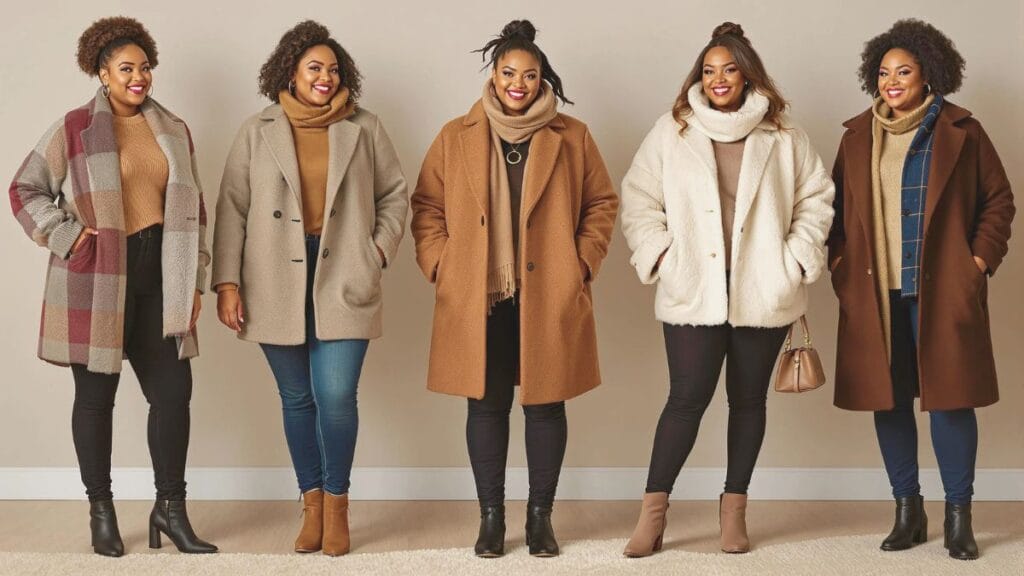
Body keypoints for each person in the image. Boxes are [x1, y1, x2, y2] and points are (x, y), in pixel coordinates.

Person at [620, 22, 834, 556]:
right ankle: (653, 514)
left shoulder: (784, 135)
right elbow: (639, 198)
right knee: (685, 400)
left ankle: (733, 512)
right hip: (693, 289)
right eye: (709, 70)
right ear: (700, 76)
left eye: (729, 69)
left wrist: (795, 258)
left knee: (748, 402)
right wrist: (664, 256)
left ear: (747, 75)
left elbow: (817, 198)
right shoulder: (673, 131)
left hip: (764, 290)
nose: (719, 79)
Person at [8, 16, 216, 556]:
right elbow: (24, 188)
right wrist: (69, 236)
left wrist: (193, 281)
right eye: (126, 68)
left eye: (145, 67)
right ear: (102, 72)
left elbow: (194, 211)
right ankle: (101, 511)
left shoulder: (173, 129)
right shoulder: (74, 127)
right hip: (97, 280)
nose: (139, 77)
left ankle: (170, 510)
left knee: (174, 397)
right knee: (96, 401)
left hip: (159, 280)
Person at [410, 19, 618, 558]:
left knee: (545, 405)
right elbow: (427, 206)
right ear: (494, 75)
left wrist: (581, 263)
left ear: (543, 78)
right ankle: (491, 519)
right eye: (509, 73)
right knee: (486, 405)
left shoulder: (571, 136)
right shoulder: (456, 136)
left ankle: (541, 519)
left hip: (549, 290)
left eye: (529, 75)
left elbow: (601, 203)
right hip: (479, 294)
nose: (518, 84)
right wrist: (441, 264)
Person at [212, 20, 408, 556]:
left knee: (337, 396)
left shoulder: (364, 126)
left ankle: (339, 504)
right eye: (314, 68)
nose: (326, 77)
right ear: (290, 72)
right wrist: (227, 283)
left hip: (345, 270)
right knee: (297, 398)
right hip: (272, 276)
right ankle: (312, 503)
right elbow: (232, 207)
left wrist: (378, 250)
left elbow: (394, 194)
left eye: (334, 69)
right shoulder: (258, 129)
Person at [828, 19, 1014, 561]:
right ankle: (907, 511)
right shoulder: (857, 135)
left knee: (952, 402)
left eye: (903, 71)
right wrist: (840, 263)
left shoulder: (964, 132)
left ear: (929, 74)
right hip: (875, 294)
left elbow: (998, 203)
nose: (891, 81)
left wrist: (976, 263)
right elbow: (835, 214)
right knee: (888, 403)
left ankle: (960, 517)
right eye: (883, 72)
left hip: (942, 291)